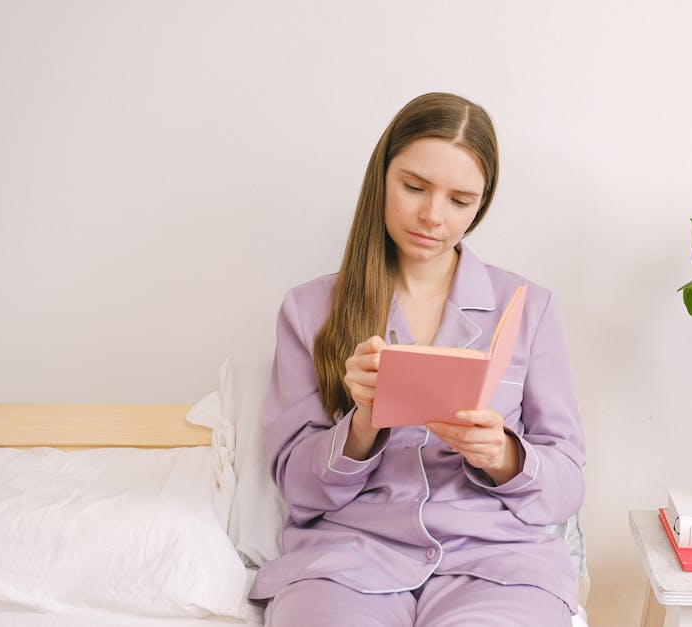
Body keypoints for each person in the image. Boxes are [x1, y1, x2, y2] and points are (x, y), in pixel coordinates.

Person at [248, 92, 585, 626]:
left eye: (460, 200)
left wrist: (500, 454)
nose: (432, 216)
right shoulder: (308, 310)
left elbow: (567, 482)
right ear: (381, 177)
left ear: (482, 204)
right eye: (413, 187)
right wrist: (361, 424)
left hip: (496, 565)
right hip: (347, 562)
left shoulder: (528, 308)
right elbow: (297, 487)